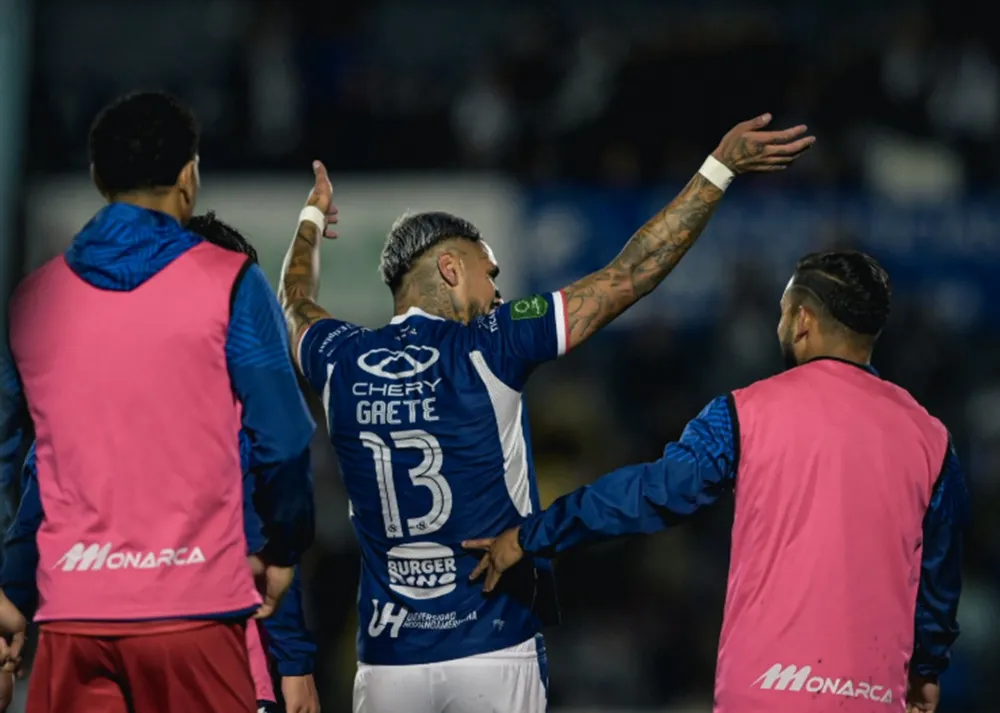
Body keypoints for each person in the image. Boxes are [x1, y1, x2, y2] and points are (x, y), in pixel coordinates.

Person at [277, 112, 815, 713]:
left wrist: (310, 220)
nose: (498, 291)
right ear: (451, 269)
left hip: (387, 663)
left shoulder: (337, 358)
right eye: (489, 272)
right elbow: (629, 274)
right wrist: (718, 170)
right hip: (493, 646)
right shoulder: (494, 342)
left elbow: (295, 300)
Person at [466, 251, 969, 713]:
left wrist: (534, 535)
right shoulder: (930, 439)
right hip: (873, 696)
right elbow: (938, 580)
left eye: (782, 311)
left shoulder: (744, 414)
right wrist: (925, 672)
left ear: (802, 322)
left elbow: (648, 495)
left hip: (763, 694)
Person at [0, 92, 316, 713]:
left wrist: (9, 585)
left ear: (97, 178)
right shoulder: (231, 283)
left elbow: (13, 459)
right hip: (193, 612)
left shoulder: (32, 302)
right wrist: (282, 549)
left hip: (73, 621)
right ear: (188, 177)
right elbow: (282, 439)